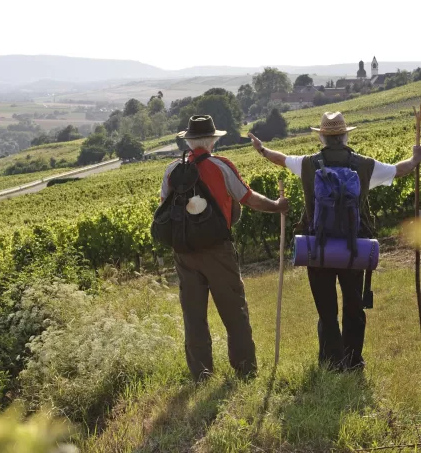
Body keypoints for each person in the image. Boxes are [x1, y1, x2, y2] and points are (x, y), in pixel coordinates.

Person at [249, 111, 421, 371]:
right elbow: (401, 170)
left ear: (322, 138)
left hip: (317, 248)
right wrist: (416, 157)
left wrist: (261, 149)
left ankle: (331, 363)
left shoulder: (307, 163)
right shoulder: (365, 165)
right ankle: (353, 361)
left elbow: (281, 159)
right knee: (353, 306)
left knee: (326, 310)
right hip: (355, 247)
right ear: (344, 135)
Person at [159, 115, 289, 381]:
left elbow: (164, 207)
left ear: (188, 140)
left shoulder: (172, 171)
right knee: (234, 311)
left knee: (194, 317)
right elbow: (248, 198)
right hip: (218, 250)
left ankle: (201, 375)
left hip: (184, 253)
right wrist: (277, 206)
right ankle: (245, 371)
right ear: (212, 141)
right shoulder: (221, 166)